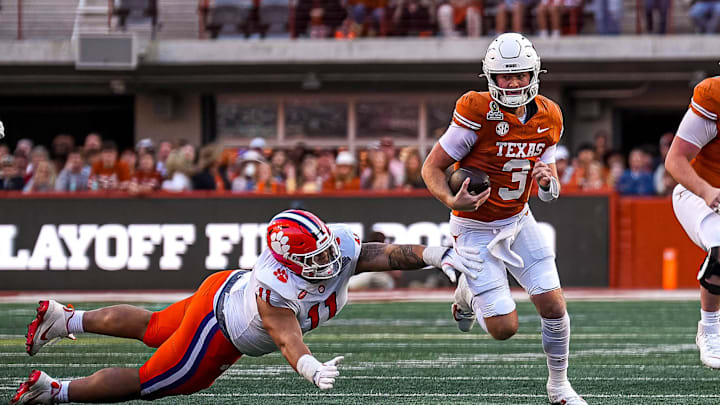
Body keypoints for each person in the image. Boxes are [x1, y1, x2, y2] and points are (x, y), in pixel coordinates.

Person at [10, 209, 482, 405]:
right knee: (150, 381)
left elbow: (381, 253)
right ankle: (54, 392)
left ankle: (65, 318)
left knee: (155, 326)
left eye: (324, 249)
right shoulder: (276, 289)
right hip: (219, 330)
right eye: (313, 258)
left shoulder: (330, 245)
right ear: (288, 261)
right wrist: (311, 368)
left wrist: (434, 254)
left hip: (222, 290)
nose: (327, 260)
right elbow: (285, 336)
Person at [421, 33, 586, 405]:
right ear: (490, 78)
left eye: (520, 76)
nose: (512, 84)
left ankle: (559, 386)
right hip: (474, 228)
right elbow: (432, 167)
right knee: (503, 329)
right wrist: (451, 199)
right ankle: (466, 294)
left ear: (534, 75)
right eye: (504, 77)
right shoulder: (476, 110)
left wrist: (548, 185)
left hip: (518, 220)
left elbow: (550, 187)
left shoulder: (550, 115)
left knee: (554, 306)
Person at [665, 70, 720, 368]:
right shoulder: (714, 95)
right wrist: (706, 189)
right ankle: (710, 330)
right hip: (699, 192)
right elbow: (675, 159)